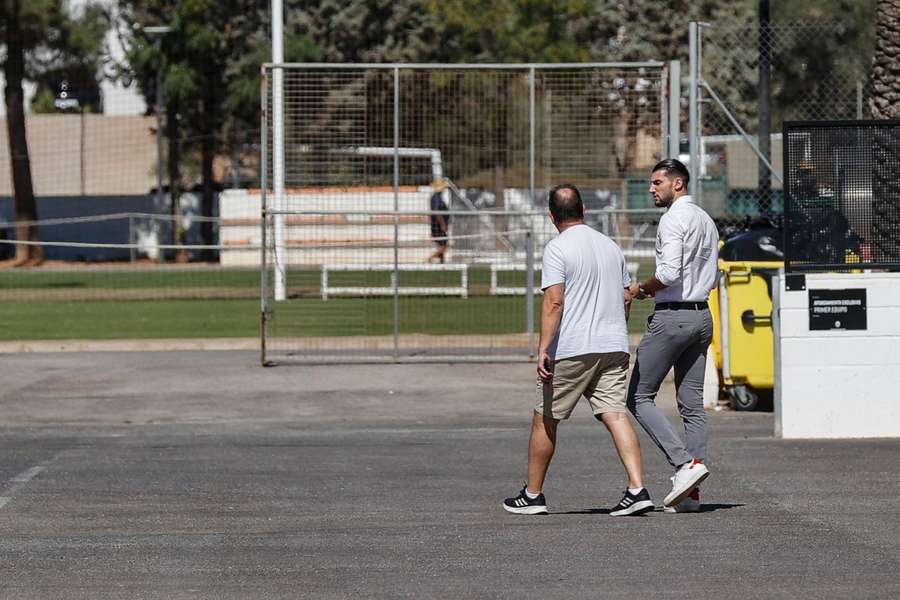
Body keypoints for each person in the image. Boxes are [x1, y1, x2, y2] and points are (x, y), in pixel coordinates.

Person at [503, 183, 653, 517]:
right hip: (614, 345)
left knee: (545, 418)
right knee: (615, 414)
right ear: (584, 210)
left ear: (551, 216)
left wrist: (543, 347)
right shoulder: (611, 246)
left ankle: (533, 494)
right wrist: (616, 328)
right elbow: (626, 295)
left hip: (573, 347)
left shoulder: (557, 248)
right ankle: (637, 487)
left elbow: (554, 300)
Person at [626, 158, 719, 513]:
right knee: (692, 404)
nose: (652, 189)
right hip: (702, 315)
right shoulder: (705, 220)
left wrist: (641, 289)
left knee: (638, 396)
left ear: (677, 184)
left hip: (673, 316)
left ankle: (685, 465)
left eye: (657, 183)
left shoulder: (673, 219)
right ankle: (691, 495)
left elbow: (667, 273)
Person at [428, 179, 450, 263]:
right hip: (438, 225)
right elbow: (437, 213)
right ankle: (431, 258)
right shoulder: (436, 198)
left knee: (442, 244)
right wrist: (443, 224)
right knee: (444, 246)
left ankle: (442, 261)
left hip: (437, 225)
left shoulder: (438, 197)